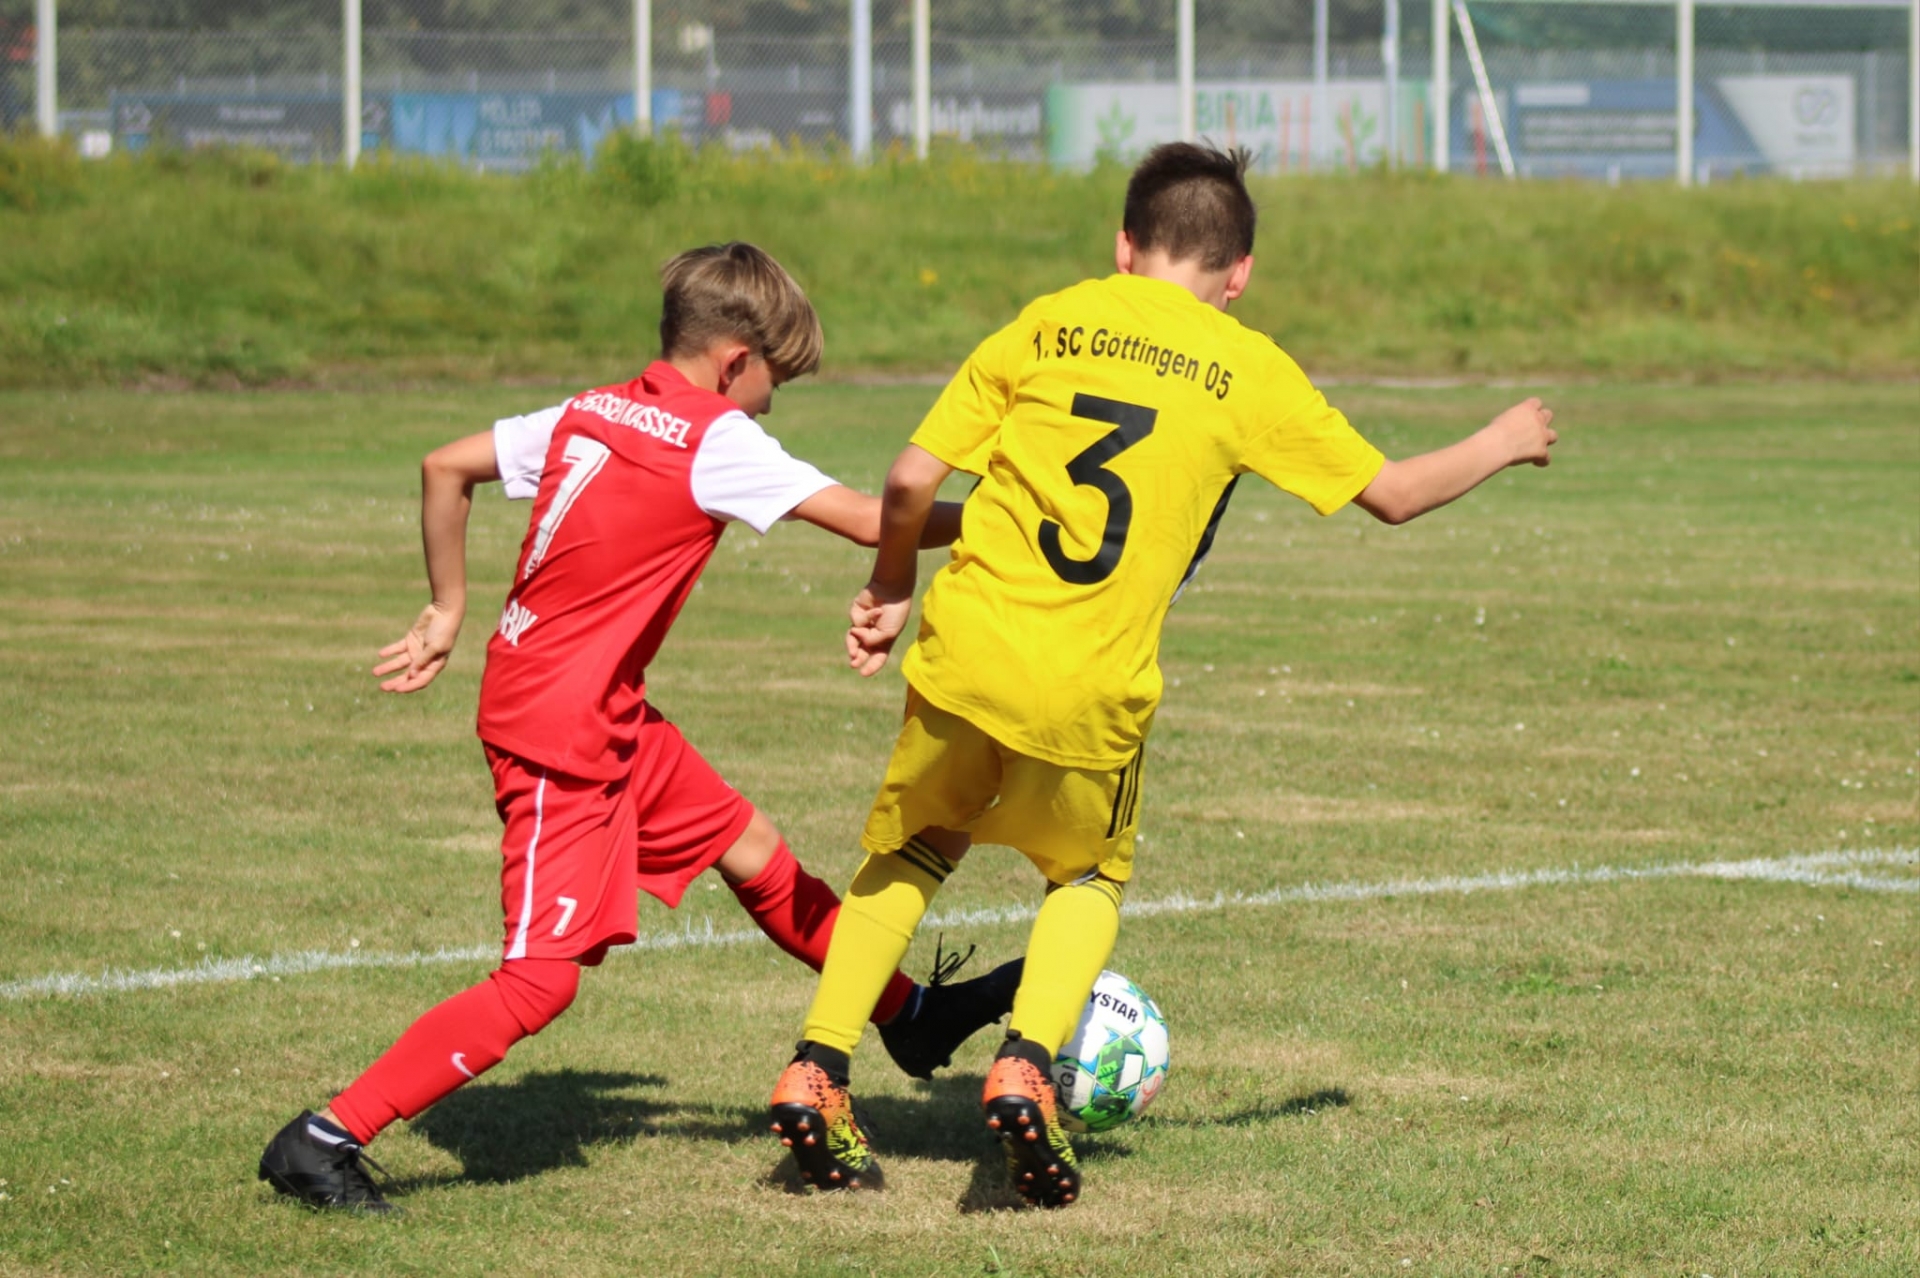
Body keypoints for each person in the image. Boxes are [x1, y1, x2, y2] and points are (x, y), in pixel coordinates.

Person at [766, 143, 1559, 1207]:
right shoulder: (1248, 367)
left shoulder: (1048, 322)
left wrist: (894, 580)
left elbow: (910, 478)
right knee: (1088, 876)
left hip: (967, 653)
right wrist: (1504, 438)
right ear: (1240, 274)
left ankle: (818, 1069)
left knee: (912, 847)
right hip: (1092, 679)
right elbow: (1396, 494)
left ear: (1125, 246)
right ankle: (1029, 1067)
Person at [258, 242, 1020, 1212]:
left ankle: (909, 1015)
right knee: (539, 982)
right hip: (559, 729)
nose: (770, 406)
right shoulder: (715, 438)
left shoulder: (592, 407)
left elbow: (445, 466)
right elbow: (878, 520)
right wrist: (1021, 521)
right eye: (774, 384)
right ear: (735, 361)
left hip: (592, 701)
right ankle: (322, 1141)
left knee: (752, 850)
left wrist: (448, 607)